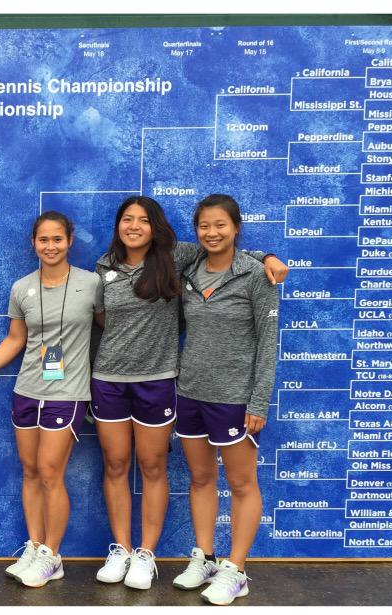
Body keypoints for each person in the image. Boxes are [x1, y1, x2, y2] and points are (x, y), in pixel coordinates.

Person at [91, 196, 287, 591]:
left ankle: (223, 568)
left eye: (143, 220)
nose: (134, 226)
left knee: (222, 479)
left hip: (199, 388)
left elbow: (267, 341)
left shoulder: (186, 260)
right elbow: (99, 318)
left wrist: (267, 255)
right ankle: (186, 556)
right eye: (126, 219)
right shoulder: (110, 266)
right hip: (178, 390)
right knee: (178, 475)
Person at [0, 212, 102, 588]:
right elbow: (16, 339)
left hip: (68, 393)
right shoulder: (22, 288)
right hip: (27, 390)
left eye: (57, 240)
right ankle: (35, 547)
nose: (50, 247)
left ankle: (53, 555)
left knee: (51, 472)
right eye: (43, 240)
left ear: (70, 241)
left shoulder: (92, 283)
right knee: (31, 471)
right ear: (33, 243)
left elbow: (108, 330)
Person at [173, 194, 279, 605]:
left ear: (235, 227)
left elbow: (268, 344)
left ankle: (236, 570)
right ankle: (206, 558)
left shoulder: (256, 275)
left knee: (241, 483)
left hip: (235, 399)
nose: (212, 233)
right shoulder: (189, 266)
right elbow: (153, 245)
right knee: (200, 479)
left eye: (220, 225)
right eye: (204, 226)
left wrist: (258, 402)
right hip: (191, 393)